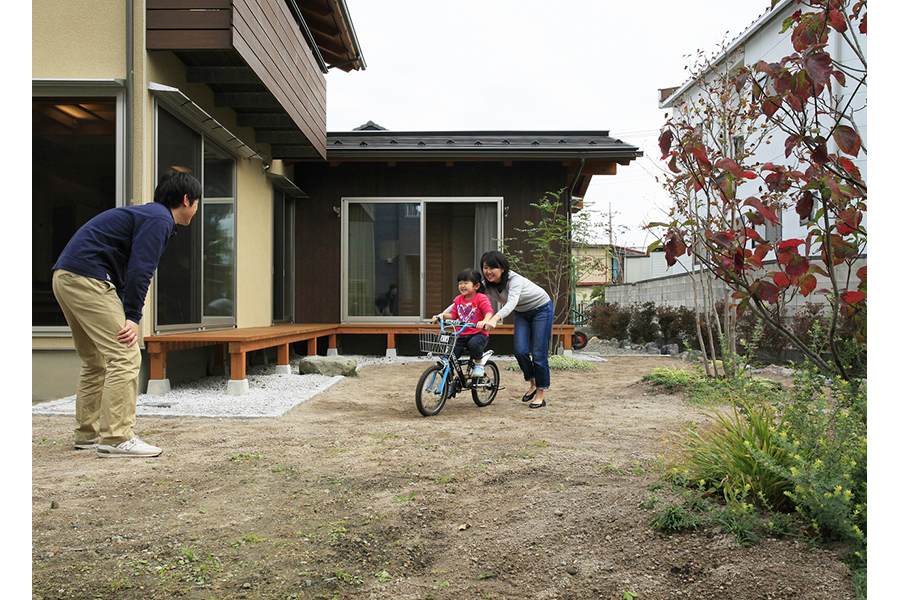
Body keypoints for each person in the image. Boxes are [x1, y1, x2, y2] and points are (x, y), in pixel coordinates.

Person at [52, 170, 203, 457]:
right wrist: (133, 316)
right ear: (186, 200)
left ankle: (88, 434)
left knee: (95, 359)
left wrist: (125, 308)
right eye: (197, 203)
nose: (196, 210)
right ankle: (117, 437)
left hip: (66, 276)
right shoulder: (159, 220)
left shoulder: (147, 216)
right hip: (89, 279)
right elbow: (140, 270)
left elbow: (125, 268)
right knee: (126, 354)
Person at [476, 250, 553, 409]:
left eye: (493, 268)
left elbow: (511, 303)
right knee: (520, 351)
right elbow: (467, 298)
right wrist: (445, 313)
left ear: (502, 268)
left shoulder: (514, 280)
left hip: (542, 309)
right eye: (485, 267)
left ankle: (540, 394)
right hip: (522, 312)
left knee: (539, 353)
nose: (488, 272)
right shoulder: (486, 285)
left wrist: (495, 318)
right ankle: (532, 383)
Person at [432, 268, 494, 377]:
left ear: (476, 286)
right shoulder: (458, 299)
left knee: (474, 343)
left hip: (478, 334)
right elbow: (453, 315)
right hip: (462, 334)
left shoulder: (481, 298)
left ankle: (479, 364)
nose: (462, 286)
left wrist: (484, 321)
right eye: (460, 283)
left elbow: (489, 312)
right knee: (450, 355)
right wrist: (441, 316)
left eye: (466, 283)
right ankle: (450, 382)